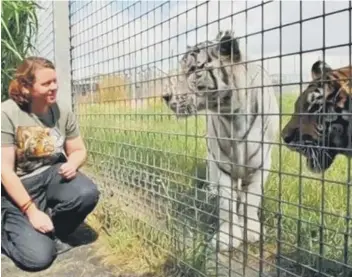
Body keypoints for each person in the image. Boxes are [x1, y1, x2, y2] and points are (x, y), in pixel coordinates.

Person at [1, 56, 100, 271]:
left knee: (86, 193)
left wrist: (73, 163)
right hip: (19, 188)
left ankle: (53, 230)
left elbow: (79, 150)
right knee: (38, 259)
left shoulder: (62, 111)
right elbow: (5, 172)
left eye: (55, 81)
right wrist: (31, 210)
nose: (54, 87)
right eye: (46, 83)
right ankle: (9, 231)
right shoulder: (7, 113)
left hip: (52, 176)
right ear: (26, 88)